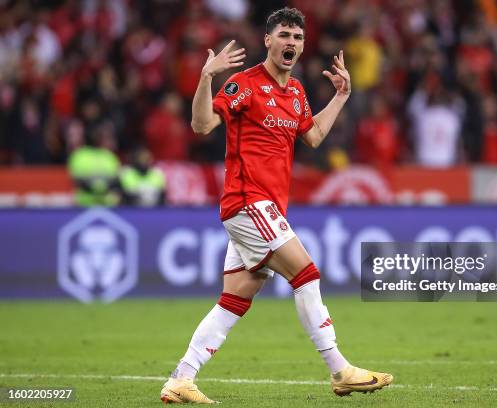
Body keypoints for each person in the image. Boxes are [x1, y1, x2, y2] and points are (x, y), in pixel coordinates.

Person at [160, 8, 393, 404]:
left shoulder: (297, 92)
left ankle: (181, 378)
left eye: (298, 38)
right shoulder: (244, 85)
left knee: (236, 297)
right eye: (284, 35)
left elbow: (315, 136)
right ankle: (340, 369)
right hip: (249, 202)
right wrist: (206, 77)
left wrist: (341, 96)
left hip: (265, 209)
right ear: (267, 40)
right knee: (306, 274)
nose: (291, 43)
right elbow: (202, 125)